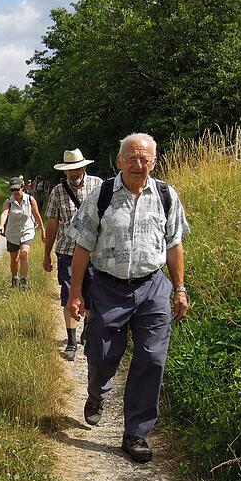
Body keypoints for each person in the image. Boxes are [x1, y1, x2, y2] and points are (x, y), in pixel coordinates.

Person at [66, 133, 190, 463]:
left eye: (144, 159)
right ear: (119, 161)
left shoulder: (165, 195)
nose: (138, 164)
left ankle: (136, 432)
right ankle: (96, 393)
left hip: (153, 287)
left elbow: (174, 245)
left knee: (152, 358)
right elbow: (82, 246)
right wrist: (75, 294)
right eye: (131, 158)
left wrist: (179, 288)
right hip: (108, 286)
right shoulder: (102, 195)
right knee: (104, 354)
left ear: (154, 162)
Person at [43, 148, 103, 360]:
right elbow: (52, 224)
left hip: (95, 252)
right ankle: (71, 342)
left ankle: (87, 330)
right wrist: (46, 253)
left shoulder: (98, 185)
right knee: (69, 294)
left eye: (76, 168)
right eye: (69, 170)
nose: (73, 173)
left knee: (92, 293)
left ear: (84, 167)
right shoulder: (58, 192)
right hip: (67, 252)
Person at [0, 176, 45, 289]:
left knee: (24, 254)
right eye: (12, 190)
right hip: (12, 233)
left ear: (22, 188)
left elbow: (37, 215)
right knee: (14, 259)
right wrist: (1, 225)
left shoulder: (30, 200)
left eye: (17, 189)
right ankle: (14, 278)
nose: (15, 192)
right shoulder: (8, 202)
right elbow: (4, 213)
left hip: (27, 231)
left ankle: (23, 281)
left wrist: (42, 230)